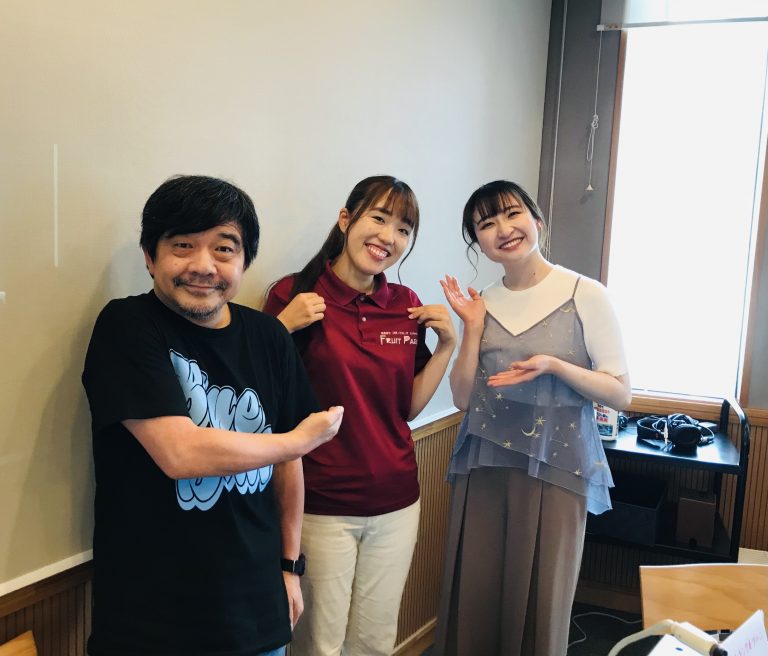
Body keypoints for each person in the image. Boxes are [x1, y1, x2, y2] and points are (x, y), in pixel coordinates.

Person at [81, 175, 344, 656]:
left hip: (257, 609)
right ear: (150, 256)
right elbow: (180, 454)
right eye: (182, 245)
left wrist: (290, 566)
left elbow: (288, 466)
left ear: (243, 261)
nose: (203, 266)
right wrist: (301, 439)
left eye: (224, 249)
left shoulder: (269, 336)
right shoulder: (126, 326)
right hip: (150, 621)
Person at [434, 180, 631, 656]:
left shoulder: (585, 293)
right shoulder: (482, 302)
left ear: (536, 221)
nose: (502, 229)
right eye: (486, 224)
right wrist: (472, 327)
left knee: (544, 598)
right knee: (477, 593)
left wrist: (555, 366)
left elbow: (620, 392)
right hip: (484, 463)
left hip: (558, 467)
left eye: (511, 214)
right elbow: (462, 398)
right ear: (478, 242)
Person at [263, 175, 456, 656]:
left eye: (404, 229)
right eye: (379, 218)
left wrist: (447, 346)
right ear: (346, 219)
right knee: (319, 645)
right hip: (320, 502)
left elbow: (407, 407)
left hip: (397, 499)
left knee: (374, 642)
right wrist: (282, 327)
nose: (389, 237)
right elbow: (257, 397)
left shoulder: (405, 305)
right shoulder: (294, 294)